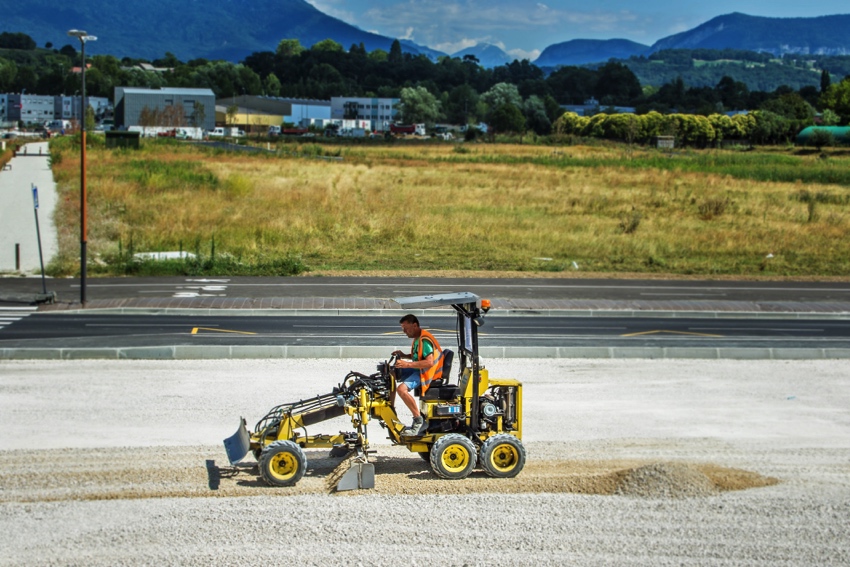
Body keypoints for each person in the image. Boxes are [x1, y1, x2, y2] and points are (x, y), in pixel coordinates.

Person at [391, 314, 443, 436]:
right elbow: (418, 357)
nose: (404, 331)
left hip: (426, 373)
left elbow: (429, 362)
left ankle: (418, 420)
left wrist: (407, 365)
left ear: (414, 325)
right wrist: (404, 355)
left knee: (402, 390)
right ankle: (391, 406)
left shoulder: (424, 340)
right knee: (391, 372)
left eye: (406, 328)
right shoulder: (418, 338)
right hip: (419, 369)